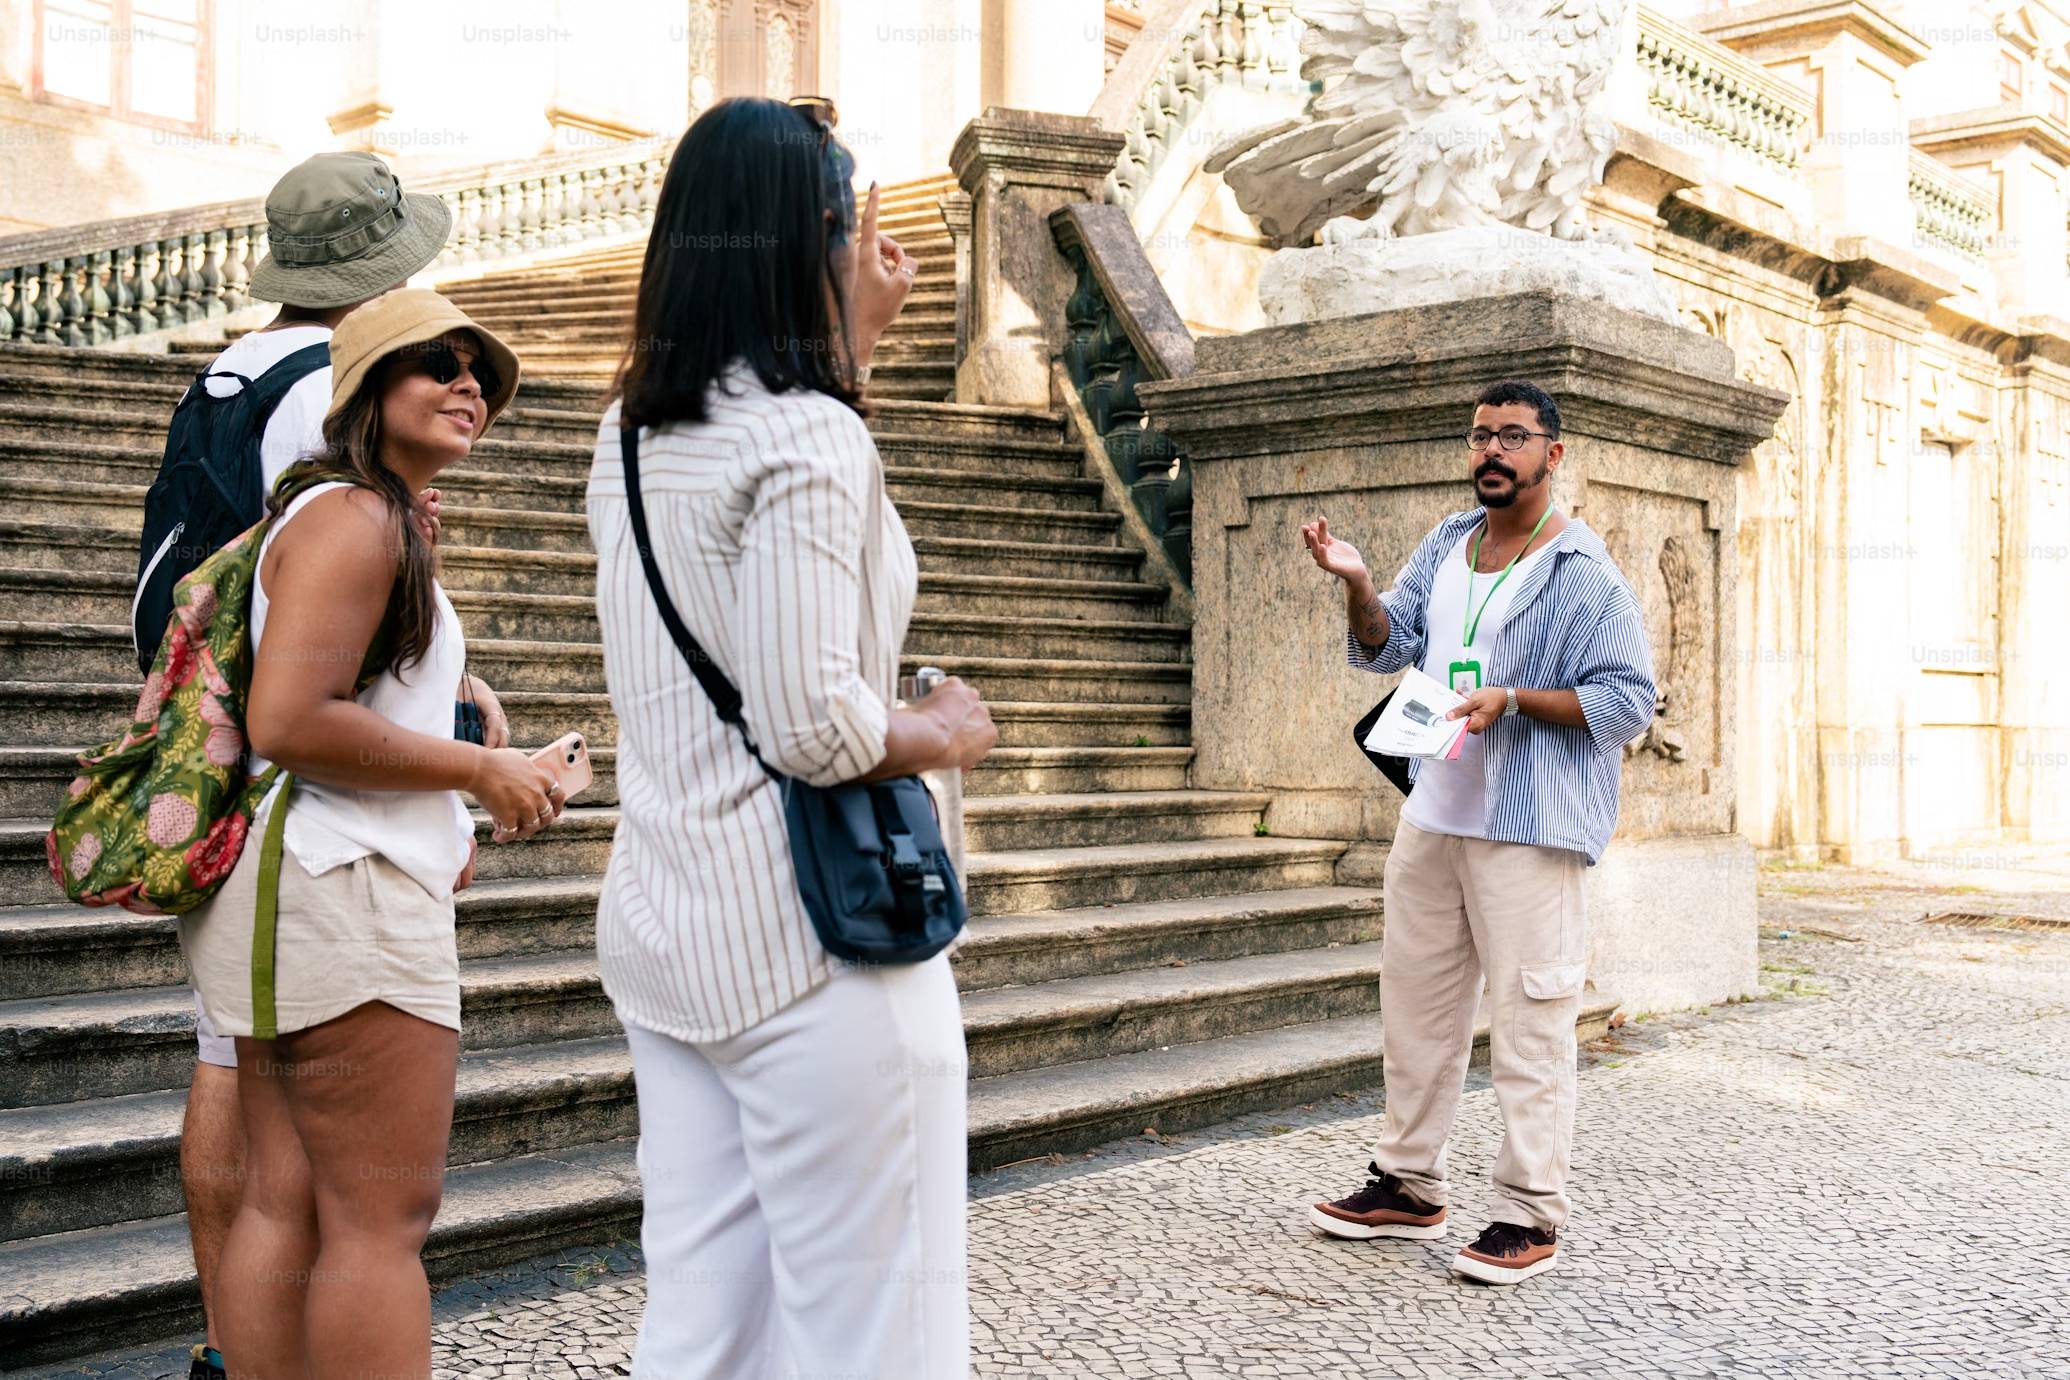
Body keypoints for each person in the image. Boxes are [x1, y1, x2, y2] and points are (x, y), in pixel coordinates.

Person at [585, 96, 996, 1378]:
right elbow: (817, 724)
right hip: (823, 946)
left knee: (707, 1326)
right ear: (811, 237)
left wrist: (848, 351)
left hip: (669, 928)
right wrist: (940, 728)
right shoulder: (808, 435)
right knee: (880, 1333)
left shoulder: (628, 436)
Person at [175, 289, 560, 1379]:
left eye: (479, 369)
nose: (467, 384)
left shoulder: (342, 511)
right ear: (366, 388)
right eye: (435, 363)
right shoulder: (356, 517)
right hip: (343, 882)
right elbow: (292, 721)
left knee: (290, 1202)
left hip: (292, 884)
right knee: (380, 1220)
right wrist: (480, 769)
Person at [1300, 379, 1656, 1285]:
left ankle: (1531, 1213)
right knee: (1415, 1010)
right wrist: (1354, 585)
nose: (1492, 451)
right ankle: (1408, 1185)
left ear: (1553, 453)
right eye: (1480, 437)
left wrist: (1515, 700)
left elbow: (1626, 700)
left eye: (1513, 437)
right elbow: (1386, 644)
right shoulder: (1447, 543)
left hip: (1526, 825)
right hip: (1433, 813)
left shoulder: (1582, 572)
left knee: (1531, 1022)